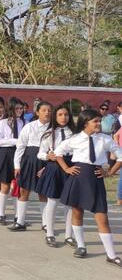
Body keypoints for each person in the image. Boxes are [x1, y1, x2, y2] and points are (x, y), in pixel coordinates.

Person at [55, 109, 122, 266]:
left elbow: (120, 155)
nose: (99, 124)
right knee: (77, 213)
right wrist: (66, 168)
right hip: (78, 178)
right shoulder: (75, 139)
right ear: (86, 123)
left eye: (99, 121)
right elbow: (58, 153)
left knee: (102, 217)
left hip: (95, 179)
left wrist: (110, 172)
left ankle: (111, 255)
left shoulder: (105, 139)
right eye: (96, 121)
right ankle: (81, 246)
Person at [34, 104, 75, 247]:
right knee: (52, 201)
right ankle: (50, 233)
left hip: (71, 167)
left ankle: (69, 235)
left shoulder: (75, 134)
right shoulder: (49, 134)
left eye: (66, 114)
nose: (64, 117)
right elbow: (40, 153)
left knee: (70, 203)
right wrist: (47, 156)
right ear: (55, 117)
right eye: (60, 115)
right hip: (54, 169)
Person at [10, 101, 52, 231]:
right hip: (29, 158)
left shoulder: (54, 128)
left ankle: (45, 223)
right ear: (37, 112)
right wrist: (17, 165)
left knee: (43, 192)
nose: (47, 112)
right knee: (24, 190)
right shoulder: (29, 127)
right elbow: (20, 146)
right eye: (44, 110)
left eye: (49, 110)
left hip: (46, 160)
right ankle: (20, 222)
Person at [0, 97, 26, 225]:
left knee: (19, 186)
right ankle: (1, 213)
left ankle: (18, 216)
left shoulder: (25, 123)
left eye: (21, 108)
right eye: (17, 108)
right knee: (5, 185)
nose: (19, 111)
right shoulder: (3, 123)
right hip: (6, 153)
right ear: (11, 109)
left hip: (21, 154)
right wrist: (13, 141)